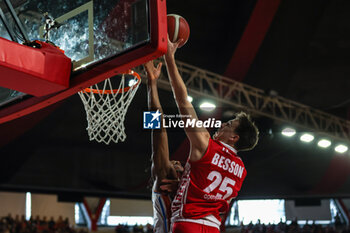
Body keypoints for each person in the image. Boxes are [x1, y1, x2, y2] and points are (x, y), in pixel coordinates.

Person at [163, 37, 259, 233]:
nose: (223, 124)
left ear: (234, 137)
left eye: (229, 125)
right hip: (213, 227)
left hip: (187, 223)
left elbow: (183, 102)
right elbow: (219, 197)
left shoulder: (205, 144)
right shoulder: (241, 170)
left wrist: (170, 59)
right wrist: (184, 185)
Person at [144, 60, 184, 233]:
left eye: (177, 163)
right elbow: (158, 130)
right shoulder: (164, 181)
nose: (175, 163)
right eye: (173, 162)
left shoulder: (185, 193)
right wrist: (152, 83)